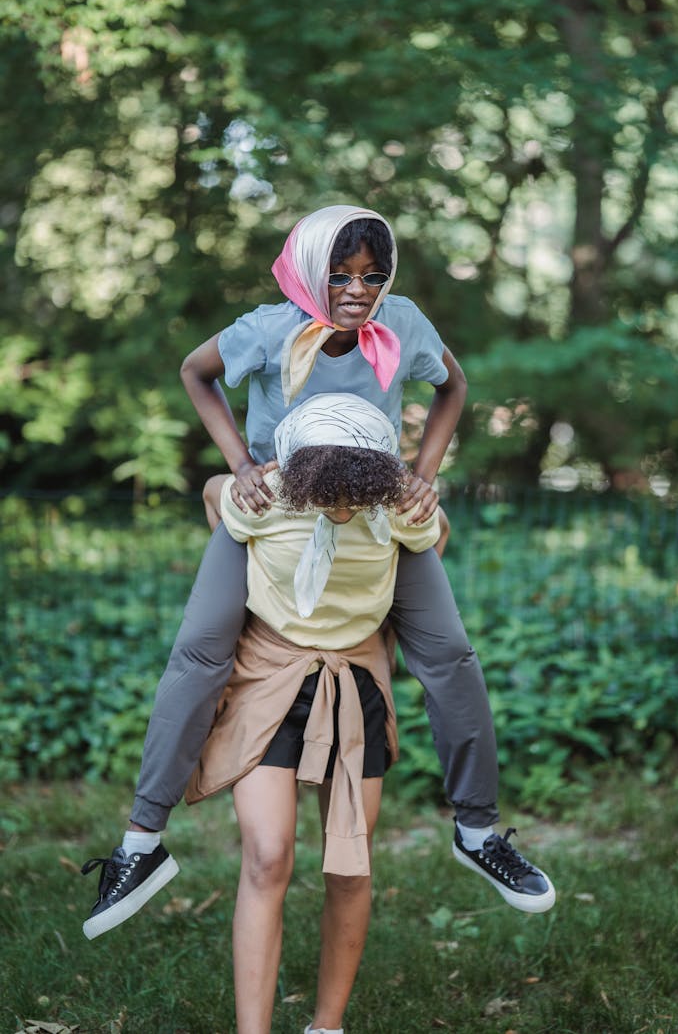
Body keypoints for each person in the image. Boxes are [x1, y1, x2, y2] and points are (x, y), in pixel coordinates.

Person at [81, 204, 555, 941]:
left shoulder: (403, 324)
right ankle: (141, 843)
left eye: (371, 274)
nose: (358, 289)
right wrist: (239, 463)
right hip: (272, 513)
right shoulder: (269, 328)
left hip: (375, 515)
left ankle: (478, 829)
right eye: (340, 274)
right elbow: (195, 372)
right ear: (309, 271)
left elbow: (453, 387)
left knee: (452, 655)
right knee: (200, 652)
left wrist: (423, 475)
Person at [186, 394, 442, 1034]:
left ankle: (327, 1027)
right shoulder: (270, 496)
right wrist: (226, 477)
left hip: (354, 681)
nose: (342, 499)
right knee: (269, 855)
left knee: (350, 866)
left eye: (356, 477)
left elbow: (436, 538)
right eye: (326, 477)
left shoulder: (393, 506)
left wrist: (429, 502)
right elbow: (217, 499)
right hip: (270, 676)